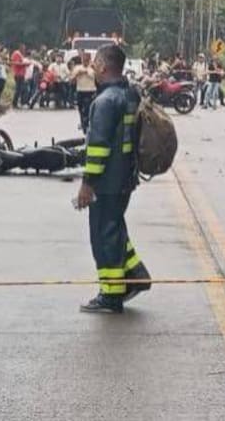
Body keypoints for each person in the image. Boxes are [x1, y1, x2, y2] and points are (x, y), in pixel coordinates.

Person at [74, 44, 151, 314]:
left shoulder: (105, 102)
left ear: (104, 66)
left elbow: (98, 147)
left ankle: (111, 295)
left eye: (95, 63)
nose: (93, 67)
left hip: (107, 182)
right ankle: (136, 273)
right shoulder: (130, 94)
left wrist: (87, 184)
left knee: (103, 235)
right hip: (125, 179)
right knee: (115, 228)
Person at [71, 53, 97, 132]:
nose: (84, 62)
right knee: (80, 108)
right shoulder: (77, 68)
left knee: (88, 108)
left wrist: (89, 71)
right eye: (83, 60)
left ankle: (86, 124)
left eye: (86, 60)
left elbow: (97, 77)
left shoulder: (93, 68)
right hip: (80, 90)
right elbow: (72, 80)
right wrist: (77, 74)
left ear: (89, 60)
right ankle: (83, 123)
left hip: (91, 91)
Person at [10, 44, 28, 109]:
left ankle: (16, 102)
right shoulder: (16, 53)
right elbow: (15, 63)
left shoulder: (21, 55)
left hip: (22, 74)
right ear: (20, 48)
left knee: (20, 89)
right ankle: (14, 103)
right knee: (18, 89)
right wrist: (24, 64)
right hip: (18, 74)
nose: (24, 50)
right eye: (23, 49)